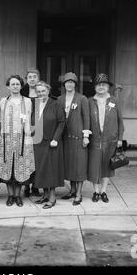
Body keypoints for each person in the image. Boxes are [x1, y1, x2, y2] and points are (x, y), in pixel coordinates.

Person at [0, 75, 35, 207]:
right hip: (6, 138)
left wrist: (28, 138)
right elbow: (0, 121)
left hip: (22, 138)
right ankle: (10, 195)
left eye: (17, 84)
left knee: (20, 167)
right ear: (8, 86)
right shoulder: (3, 101)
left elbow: (29, 120)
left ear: (21, 86)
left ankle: (18, 196)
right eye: (12, 84)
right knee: (8, 167)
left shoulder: (27, 101)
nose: (15, 86)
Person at [88, 73, 124, 203]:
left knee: (107, 166)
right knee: (94, 166)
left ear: (108, 87)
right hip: (95, 139)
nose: (101, 87)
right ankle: (96, 191)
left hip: (111, 140)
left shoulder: (114, 101)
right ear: (95, 87)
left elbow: (120, 121)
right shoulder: (90, 101)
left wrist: (120, 138)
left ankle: (103, 191)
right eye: (98, 84)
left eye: (104, 84)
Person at [57, 72, 91, 206]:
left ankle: (78, 193)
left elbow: (86, 118)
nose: (69, 84)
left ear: (75, 84)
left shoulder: (82, 98)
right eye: (67, 82)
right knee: (70, 165)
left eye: (72, 82)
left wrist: (86, 136)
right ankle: (72, 190)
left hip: (78, 137)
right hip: (65, 137)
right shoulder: (60, 99)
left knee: (79, 166)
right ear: (64, 84)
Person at [32, 81, 65, 208]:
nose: (41, 93)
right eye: (38, 91)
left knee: (51, 170)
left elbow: (62, 122)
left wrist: (56, 138)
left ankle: (52, 198)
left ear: (48, 91)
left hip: (51, 143)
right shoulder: (35, 104)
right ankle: (45, 195)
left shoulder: (56, 104)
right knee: (41, 169)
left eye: (43, 91)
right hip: (38, 142)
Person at [20, 68, 41, 197]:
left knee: (37, 158)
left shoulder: (42, 91)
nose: (32, 79)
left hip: (39, 128)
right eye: (30, 77)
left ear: (38, 78)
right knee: (26, 157)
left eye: (34, 76)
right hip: (25, 128)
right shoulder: (22, 92)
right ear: (26, 79)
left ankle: (36, 186)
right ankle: (26, 185)